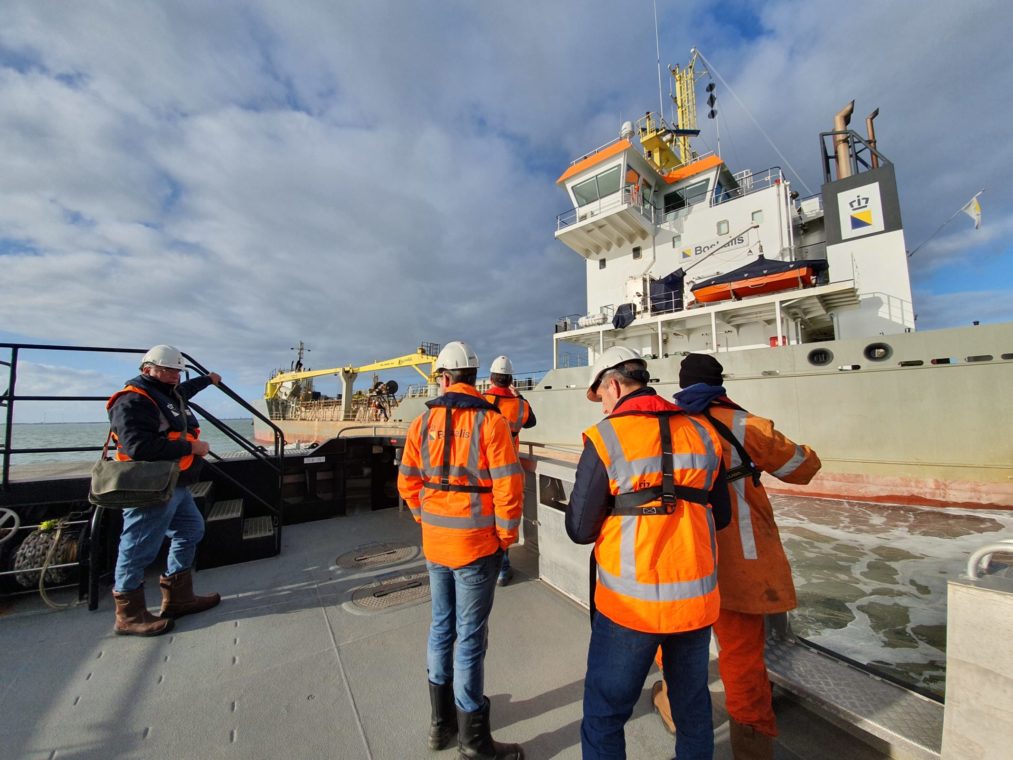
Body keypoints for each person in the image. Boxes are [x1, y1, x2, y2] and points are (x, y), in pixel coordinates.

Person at [649, 353, 821, 759]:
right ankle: (751, 747)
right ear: (719, 383)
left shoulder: (669, 426)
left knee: (674, 644)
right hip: (739, 563)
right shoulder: (747, 425)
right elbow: (802, 468)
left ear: (682, 383)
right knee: (742, 659)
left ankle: (673, 708)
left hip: (683, 558)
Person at [565, 346, 730, 760]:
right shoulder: (704, 431)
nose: (602, 403)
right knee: (692, 708)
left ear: (614, 385)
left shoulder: (606, 436)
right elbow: (722, 515)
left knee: (605, 714)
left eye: (600, 395)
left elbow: (579, 529)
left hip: (630, 607)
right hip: (694, 605)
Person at [397, 341, 525, 759]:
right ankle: (473, 739)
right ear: (475, 379)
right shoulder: (493, 423)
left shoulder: (421, 423)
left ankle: (440, 727)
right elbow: (509, 484)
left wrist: (426, 518)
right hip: (476, 545)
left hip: (436, 543)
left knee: (440, 627)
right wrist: (505, 537)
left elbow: (407, 483)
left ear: (445, 378)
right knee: (470, 638)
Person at [107, 344, 222, 637]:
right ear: (148, 370)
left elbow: (185, 392)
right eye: (167, 370)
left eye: (177, 371)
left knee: (191, 530)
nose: (174, 376)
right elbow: (138, 446)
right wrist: (191, 447)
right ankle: (129, 615)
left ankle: (178, 599)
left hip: (175, 483)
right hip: (149, 486)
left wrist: (208, 379)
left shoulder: (166, 393)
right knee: (137, 548)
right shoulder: (132, 400)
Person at [482, 354, 536, 586]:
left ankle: (484, 565)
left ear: (492, 378)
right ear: (510, 379)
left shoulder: (482, 400)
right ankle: (503, 570)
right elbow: (531, 422)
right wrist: (519, 396)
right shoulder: (521, 405)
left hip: (484, 465)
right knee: (506, 517)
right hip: (510, 466)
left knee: (485, 516)